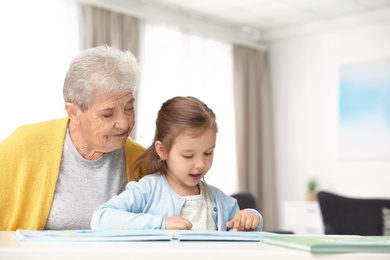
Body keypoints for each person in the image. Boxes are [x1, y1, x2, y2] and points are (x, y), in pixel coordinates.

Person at [0, 45, 147, 231]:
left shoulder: (143, 162)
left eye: (128, 109)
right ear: (73, 112)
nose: (125, 124)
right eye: (108, 114)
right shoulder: (24, 146)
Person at [91, 96, 263, 231]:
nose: (200, 164)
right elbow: (101, 218)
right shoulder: (147, 191)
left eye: (208, 153)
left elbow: (249, 231)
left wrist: (251, 219)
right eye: (188, 156)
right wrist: (161, 223)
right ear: (162, 150)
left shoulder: (219, 200)